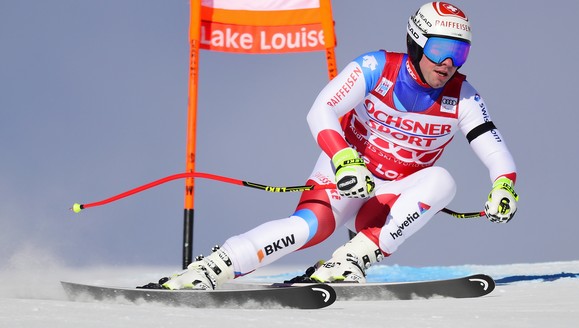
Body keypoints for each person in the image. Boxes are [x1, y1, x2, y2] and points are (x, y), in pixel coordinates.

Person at [149, 2, 518, 290]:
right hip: (346, 174)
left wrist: (504, 184)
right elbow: (321, 110)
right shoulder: (376, 66)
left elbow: (492, 145)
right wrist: (343, 158)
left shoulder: (463, 96)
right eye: (440, 50)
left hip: (388, 196)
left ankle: (351, 259)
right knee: (306, 229)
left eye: (461, 53)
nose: (449, 63)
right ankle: (212, 268)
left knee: (443, 182)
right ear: (417, 42)